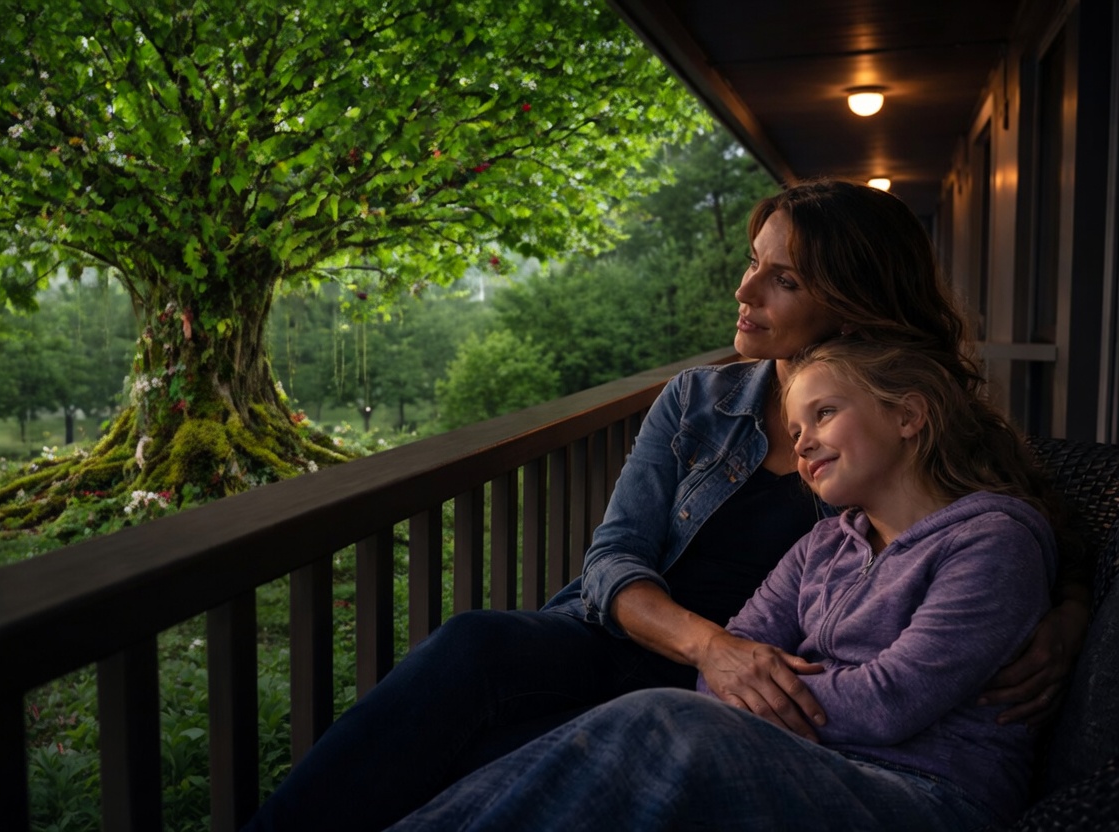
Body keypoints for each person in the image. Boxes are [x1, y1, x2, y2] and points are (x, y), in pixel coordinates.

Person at [242, 180, 1091, 831]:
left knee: (520, 759)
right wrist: (713, 650)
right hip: (661, 647)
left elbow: (1041, 528)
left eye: (782, 278)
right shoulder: (699, 400)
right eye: (753, 261)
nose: (745, 290)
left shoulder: (913, 433)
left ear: (855, 300)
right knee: (475, 645)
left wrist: (1065, 617)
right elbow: (612, 562)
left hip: (771, 704)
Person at [388, 337, 1058, 831]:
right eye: (795, 429)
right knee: (640, 717)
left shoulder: (990, 541)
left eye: (824, 415)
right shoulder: (826, 542)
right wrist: (753, 677)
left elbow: (890, 700)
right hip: (817, 764)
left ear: (909, 416)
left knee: (663, 719)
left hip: (929, 795)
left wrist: (769, 685)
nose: (802, 445)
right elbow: (728, 664)